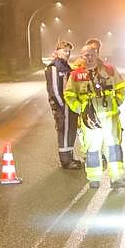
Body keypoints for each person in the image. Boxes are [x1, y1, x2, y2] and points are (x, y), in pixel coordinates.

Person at [63, 43, 125, 190]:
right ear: (82, 57)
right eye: (86, 55)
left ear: (97, 54)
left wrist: (117, 101)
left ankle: (117, 178)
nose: (89, 58)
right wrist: (80, 108)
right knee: (92, 149)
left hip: (110, 119)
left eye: (92, 54)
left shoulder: (110, 70)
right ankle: (94, 178)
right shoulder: (76, 75)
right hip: (89, 120)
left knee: (113, 148)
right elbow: (69, 94)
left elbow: (121, 87)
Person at [45, 40, 81, 169]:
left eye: (69, 51)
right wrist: (62, 105)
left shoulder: (66, 66)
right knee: (64, 131)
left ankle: (70, 157)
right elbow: (54, 90)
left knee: (71, 130)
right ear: (58, 51)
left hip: (70, 105)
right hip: (63, 106)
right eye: (65, 51)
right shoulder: (54, 67)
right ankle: (65, 161)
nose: (67, 53)